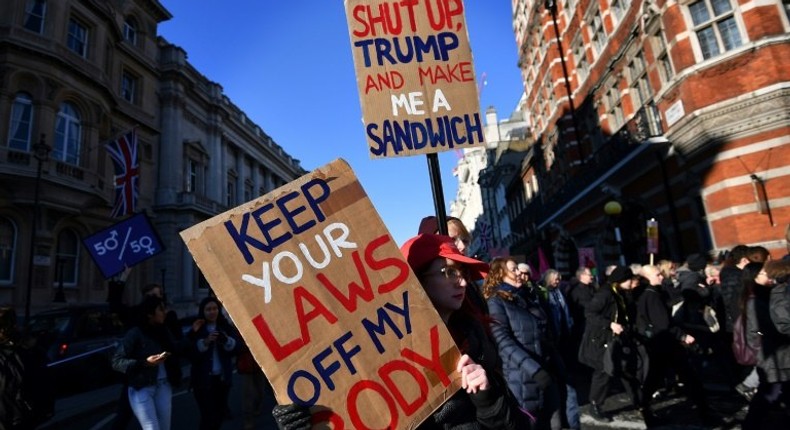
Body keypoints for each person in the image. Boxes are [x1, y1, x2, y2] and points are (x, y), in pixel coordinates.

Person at [271, 234, 529, 430]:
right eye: (449, 271)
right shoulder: (377, 346)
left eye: (462, 272)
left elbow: (510, 423)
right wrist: (307, 419)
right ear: (417, 278)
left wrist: (487, 398)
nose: (461, 281)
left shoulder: (476, 338)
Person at [485, 258, 576, 430]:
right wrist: (535, 370)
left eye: (519, 269)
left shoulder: (525, 297)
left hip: (548, 373)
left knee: (556, 422)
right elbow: (503, 340)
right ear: (499, 275)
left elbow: (544, 333)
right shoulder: (496, 301)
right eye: (514, 270)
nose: (519, 273)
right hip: (523, 379)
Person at [636, 265, 716, 427]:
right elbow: (663, 323)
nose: (661, 277)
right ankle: (704, 413)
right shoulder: (651, 296)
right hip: (666, 344)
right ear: (648, 278)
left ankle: (644, 407)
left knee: (656, 378)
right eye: (657, 275)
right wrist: (683, 335)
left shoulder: (651, 293)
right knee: (688, 377)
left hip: (660, 344)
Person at [577, 266, 644, 423]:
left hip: (616, 339)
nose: (631, 282)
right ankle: (595, 405)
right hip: (601, 341)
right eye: (629, 279)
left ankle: (639, 401)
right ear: (621, 280)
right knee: (604, 372)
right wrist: (609, 324)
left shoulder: (620, 293)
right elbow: (590, 313)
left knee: (626, 369)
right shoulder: (605, 294)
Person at [112, 296, 187, 430]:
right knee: (151, 427)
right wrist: (145, 363)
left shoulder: (164, 330)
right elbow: (117, 361)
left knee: (164, 427)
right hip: (142, 386)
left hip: (164, 385)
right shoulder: (135, 333)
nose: (165, 312)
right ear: (149, 313)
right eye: (161, 309)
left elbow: (177, 348)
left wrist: (193, 333)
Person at [742, 260, 790, 429]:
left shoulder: (771, 295)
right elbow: (754, 332)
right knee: (768, 395)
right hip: (774, 356)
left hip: (779, 355)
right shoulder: (759, 299)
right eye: (761, 273)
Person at [187, 297, 239, 430]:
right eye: (208, 309)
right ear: (203, 311)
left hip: (221, 379)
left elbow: (238, 347)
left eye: (215, 309)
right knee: (207, 416)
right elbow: (187, 350)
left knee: (219, 416)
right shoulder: (197, 328)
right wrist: (205, 342)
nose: (212, 312)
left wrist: (226, 340)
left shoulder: (225, 326)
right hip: (203, 380)